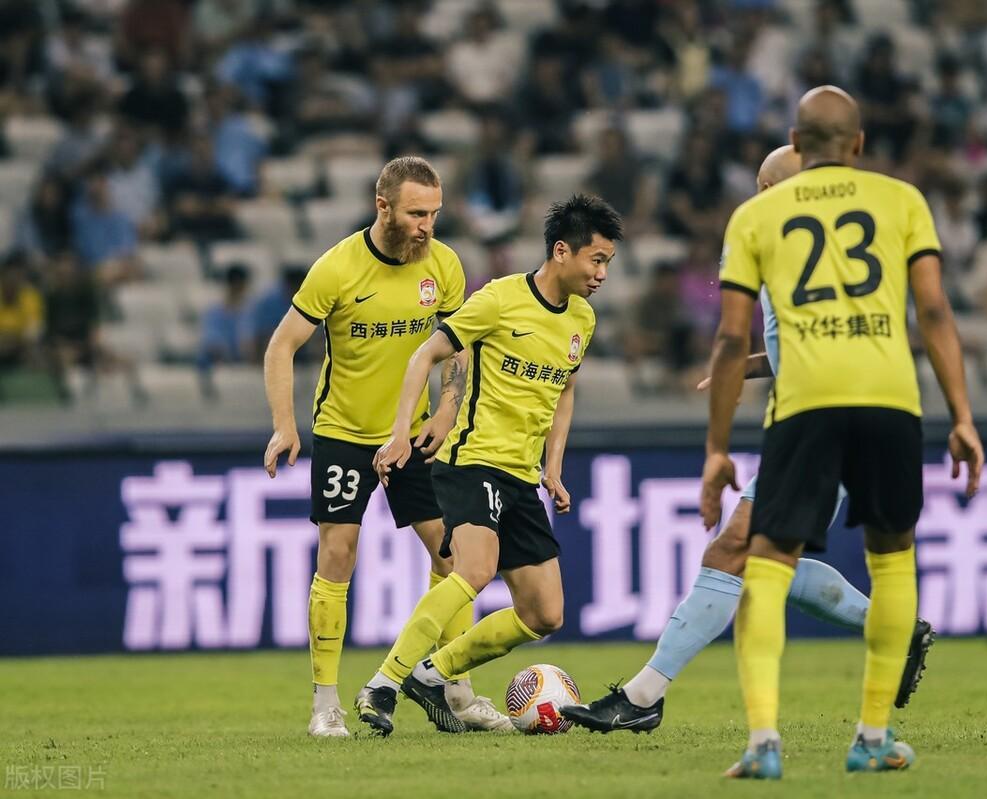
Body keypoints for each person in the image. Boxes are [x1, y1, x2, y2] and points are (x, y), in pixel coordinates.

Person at [562, 146, 936, 735]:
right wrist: (753, 366)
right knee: (766, 561)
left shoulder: (772, 237)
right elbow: (821, 339)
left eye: (766, 184)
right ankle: (896, 629)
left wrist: (733, 370)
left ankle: (642, 697)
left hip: (823, 425)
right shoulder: (834, 245)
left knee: (729, 553)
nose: (757, 195)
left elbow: (751, 334)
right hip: (855, 416)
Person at [701, 87, 983, 778]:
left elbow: (732, 338)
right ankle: (873, 737)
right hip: (889, 396)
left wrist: (716, 449)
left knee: (767, 563)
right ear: (858, 144)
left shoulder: (756, 214)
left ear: (797, 144)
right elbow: (935, 312)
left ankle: (762, 742)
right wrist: (962, 416)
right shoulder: (901, 201)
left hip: (805, 400)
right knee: (893, 560)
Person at [262, 156, 505, 737]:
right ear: (384, 207)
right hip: (344, 433)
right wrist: (284, 425)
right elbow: (281, 346)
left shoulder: (444, 265)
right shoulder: (338, 268)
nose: (427, 226)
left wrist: (447, 409)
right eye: (417, 214)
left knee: (453, 557)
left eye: (434, 213)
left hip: (414, 434)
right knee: (338, 554)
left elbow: (458, 347)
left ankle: (454, 691)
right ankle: (326, 703)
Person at [367, 195, 621, 734]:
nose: (602, 273)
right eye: (596, 259)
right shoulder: (500, 299)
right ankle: (384, 683)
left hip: (521, 476)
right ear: (561, 251)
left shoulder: (582, 318)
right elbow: (425, 355)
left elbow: (565, 389)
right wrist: (400, 435)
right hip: (471, 461)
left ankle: (435, 673)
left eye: (608, 263)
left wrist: (553, 467)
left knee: (544, 613)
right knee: (475, 570)